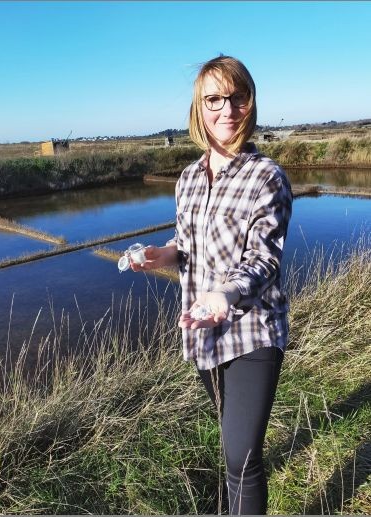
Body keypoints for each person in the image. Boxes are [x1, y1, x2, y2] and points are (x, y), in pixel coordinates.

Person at [131, 55, 293, 515]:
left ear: (251, 102)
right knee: (229, 443)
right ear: (199, 109)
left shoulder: (267, 177)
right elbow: (187, 243)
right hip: (202, 329)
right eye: (214, 99)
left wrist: (225, 293)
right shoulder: (187, 178)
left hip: (251, 327)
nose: (227, 109)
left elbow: (264, 259)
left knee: (243, 458)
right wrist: (159, 255)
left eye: (237, 97)